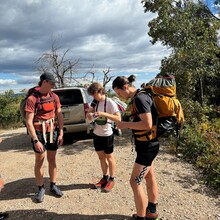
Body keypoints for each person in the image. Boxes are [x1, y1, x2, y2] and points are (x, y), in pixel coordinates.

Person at [112, 75, 159, 220]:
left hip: (147, 147)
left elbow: (147, 124)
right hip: (148, 144)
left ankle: (141, 216)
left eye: (119, 93)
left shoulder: (139, 99)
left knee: (135, 181)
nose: (121, 96)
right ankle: (151, 211)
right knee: (149, 176)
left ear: (125, 87)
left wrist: (125, 125)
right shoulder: (139, 97)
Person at [25, 72, 64, 203]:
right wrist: (36, 140)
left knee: (52, 160)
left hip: (52, 131)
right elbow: (29, 122)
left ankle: (53, 185)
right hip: (39, 133)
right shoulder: (32, 99)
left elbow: (59, 114)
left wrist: (61, 132)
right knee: (39, 160)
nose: (53, 85)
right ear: (44, 82)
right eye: (51, 83)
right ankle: (40, 188)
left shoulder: (54, 97)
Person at [87, 82, 121, 192]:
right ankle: (104, 177)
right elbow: (88, 115)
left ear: (101, 91)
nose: (93, 97)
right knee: (101, 157)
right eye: (92, 95)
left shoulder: (110, 103)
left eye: (95, 94)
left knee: (109, 157)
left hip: (107, 134)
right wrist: (89, 115)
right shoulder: (94, 102)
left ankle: (112, 178)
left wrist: (103, 114)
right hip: (97, 134)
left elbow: (118, 118)